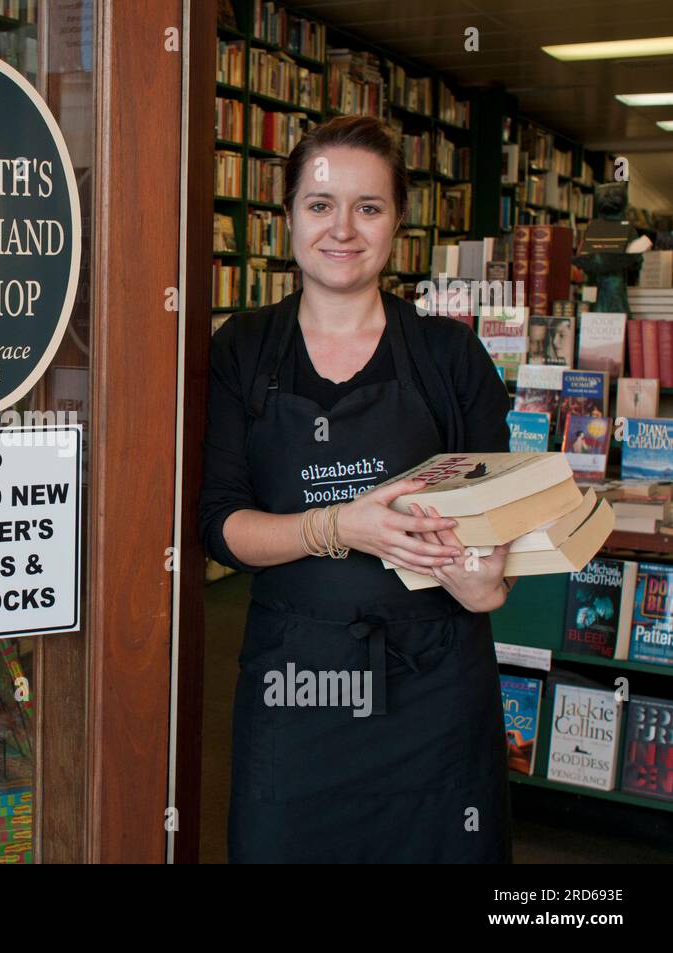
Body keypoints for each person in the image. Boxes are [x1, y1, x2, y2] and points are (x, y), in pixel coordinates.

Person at [199, 116, 514, 863]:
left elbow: (494, 521)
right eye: (320, 204)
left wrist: (485, 582)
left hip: (433, 689)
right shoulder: (241, 350)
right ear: (286, 218)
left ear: (397, 223)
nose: (343, 228)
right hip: (295, 688)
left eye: (368, 207)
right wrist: (341, 525)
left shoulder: (450, 356)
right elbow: (220, 527)